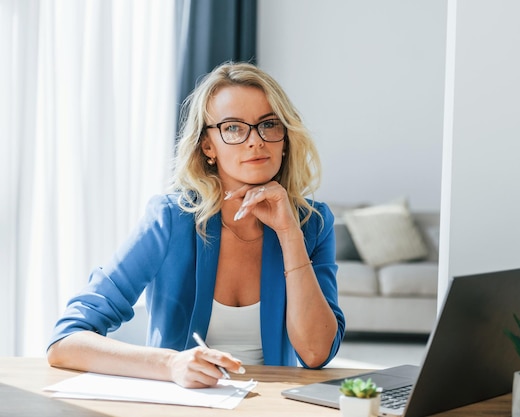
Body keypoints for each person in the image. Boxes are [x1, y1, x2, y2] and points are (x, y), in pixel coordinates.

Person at [47, 62, 345, 388]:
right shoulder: (169, 219)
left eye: (269, 124)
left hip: (271, 406)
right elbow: (66, 341)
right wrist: (170, 364)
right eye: (233, 127)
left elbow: (316, 352)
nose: (255, 141)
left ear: (285, 139)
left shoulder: (312, 223)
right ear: (207, 147)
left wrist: (289, 234)